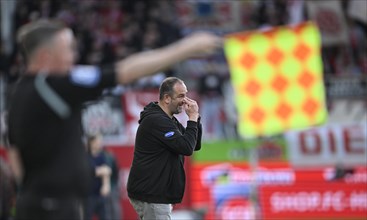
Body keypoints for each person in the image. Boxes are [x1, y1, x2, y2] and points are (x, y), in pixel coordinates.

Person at [5, 19, 221, 220]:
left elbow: (15, 156)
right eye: (68, 48)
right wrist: (185, 49)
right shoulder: (54, 87)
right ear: (45, 56)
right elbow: (124, 71)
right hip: (51, 206)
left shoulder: (21, 94)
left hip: (46, 203)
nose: (74, 54)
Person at [127, 77, 202, 220]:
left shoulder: (167, 120)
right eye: (181, 96)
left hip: (155, 193)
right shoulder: (157, 120)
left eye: (186, 95)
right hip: (152, 195)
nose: (185, 100)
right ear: (167, 98)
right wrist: (191, 118)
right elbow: (186, 148)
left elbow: (194, 145)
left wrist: (196, 119)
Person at [85, 133, 111, 220]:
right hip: (88, 195)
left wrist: (106, 185)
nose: (100, 143)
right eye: (98, 141)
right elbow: (89, 172)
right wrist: (100, 170)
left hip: (100, 194)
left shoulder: (102, 156)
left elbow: (108, 171)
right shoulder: (86, 156)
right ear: (92, 142)